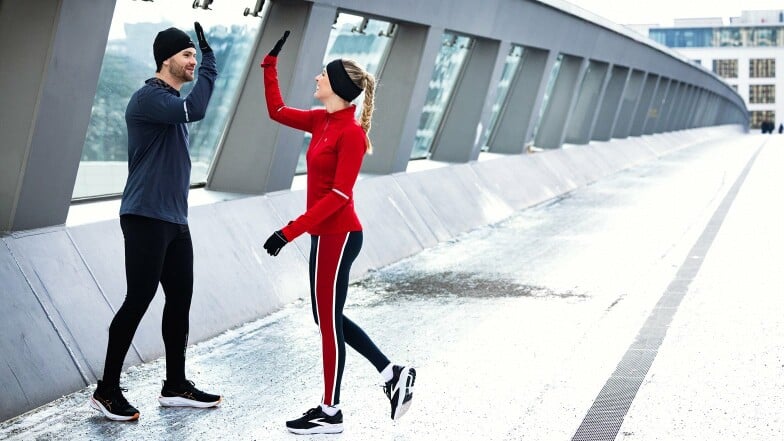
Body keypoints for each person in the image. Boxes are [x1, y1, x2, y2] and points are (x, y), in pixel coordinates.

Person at [260, 31, 416, 435]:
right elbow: (276, 111)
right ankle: (391, 372)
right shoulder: (321, 121)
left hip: (340, 234)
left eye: (323, 75)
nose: (316, 78)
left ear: (338, 87)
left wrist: (288, 232)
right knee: (326, 316)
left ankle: (331, 412)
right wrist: (270, 65)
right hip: (325, 234)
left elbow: (339, 195)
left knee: (327, 321)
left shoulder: (350, 133)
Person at [89, 23, 221, 421]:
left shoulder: (171, 103)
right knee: (138, 299)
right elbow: (196, 110)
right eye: (187, 55)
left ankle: (175, 385)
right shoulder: (149, 98)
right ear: (167, 59)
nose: (194, 61)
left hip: (175, 220)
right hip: (145, 216)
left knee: (179, 299)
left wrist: (204, 63)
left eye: (196, 56)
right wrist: (212, 64)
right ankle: (106, 391)